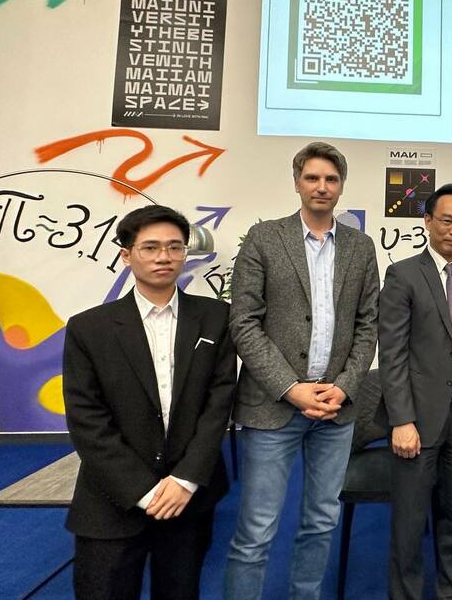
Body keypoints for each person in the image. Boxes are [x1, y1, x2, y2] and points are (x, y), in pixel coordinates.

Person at [223, 142, 380, 600]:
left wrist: (344, 387)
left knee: (321, 521)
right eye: (312, 178)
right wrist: (291, 388)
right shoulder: (264, 238)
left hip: (335, 409)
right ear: (297, 183)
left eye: (331, 179)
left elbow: (368, 324)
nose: (321, 186)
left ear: (341, 186)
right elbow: (244, 322)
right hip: (273, 407)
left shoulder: (360, 246)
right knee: (256, 529)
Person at [63, 205, 236, 600]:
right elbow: (87, 419)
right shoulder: (89, 328)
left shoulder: (215, 317)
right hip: (112, 498)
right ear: (126, 255)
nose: (164, 257)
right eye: (151, 247)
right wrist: (144, 491)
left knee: (179, 592)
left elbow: (219, 403)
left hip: (188, 496)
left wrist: (185, 479)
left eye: (175, 247)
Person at [377, 183, 452, 600]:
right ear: (427, 222)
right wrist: (401, 420)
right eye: (447, 220)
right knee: (410, 522)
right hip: (417, 418)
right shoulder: (403, 274)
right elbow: (392, 353)